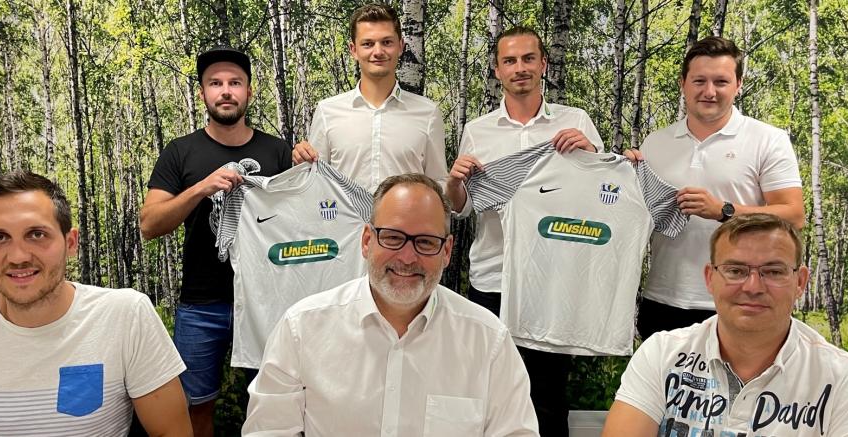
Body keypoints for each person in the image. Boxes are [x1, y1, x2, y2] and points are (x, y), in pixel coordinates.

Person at [243, 174, 539, 436]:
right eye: (393, 237)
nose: (408, 258)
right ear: (367, 240)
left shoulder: (488, 341)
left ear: (447, 251)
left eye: (425, 242)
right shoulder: (301, 329)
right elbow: (269, 430)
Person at [0, 171, 190, 437]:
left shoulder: (126, 315)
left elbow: (172, 432)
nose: (17, 256)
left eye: (36, 235)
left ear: (71, 242)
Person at [443, 26, 604, 436]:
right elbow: (462, 209)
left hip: (552, 280)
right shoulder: (479, 130)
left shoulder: (575, 121)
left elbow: (603, 196)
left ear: (543, 64)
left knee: (548, 396)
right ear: (497, 70)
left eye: (528, 59)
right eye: (510, 61)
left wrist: (590, 155)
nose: (520, 68)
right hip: (491, 277)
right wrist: (454, 183)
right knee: (485, 388)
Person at [602, 213, 848, 436]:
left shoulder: (843, 379)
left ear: (800, 282)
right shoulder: (661, 354)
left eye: (773, 271)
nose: (753, 286)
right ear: (709, 278)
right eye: (736, 270)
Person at [140, 45, 291, 437]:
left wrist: (308, 166)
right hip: (201, 304)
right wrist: (199, 189)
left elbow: (301, 219)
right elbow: (150, 224)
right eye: (216, 83)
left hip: (266, 303)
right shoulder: (180, 151)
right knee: (193, 407)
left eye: (235, 83)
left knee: (276, 404)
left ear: (249, 92)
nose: (226, 90)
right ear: (203, 93)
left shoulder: (277, 150)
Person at [624, 36, 804, 339]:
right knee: (664, 387)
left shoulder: (767, 140)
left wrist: (723, 211)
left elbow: (794, 215)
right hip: (662, 299)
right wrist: (624, 176)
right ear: (683, 83)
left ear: (738, 84)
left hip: (739, 299)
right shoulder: (655, 143)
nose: (709, 92)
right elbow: (635, 216)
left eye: (721, 81)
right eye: (699, 81)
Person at [290, 3, 448, 193]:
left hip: (406, 223)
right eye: (368, 44)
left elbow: (439, 186)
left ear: (401, 46)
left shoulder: (428, 113)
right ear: (353, 50)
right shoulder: (327, 111)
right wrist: (301, 164)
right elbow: (314, 184)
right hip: (345, 223)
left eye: (387, 42)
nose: (378, 51)